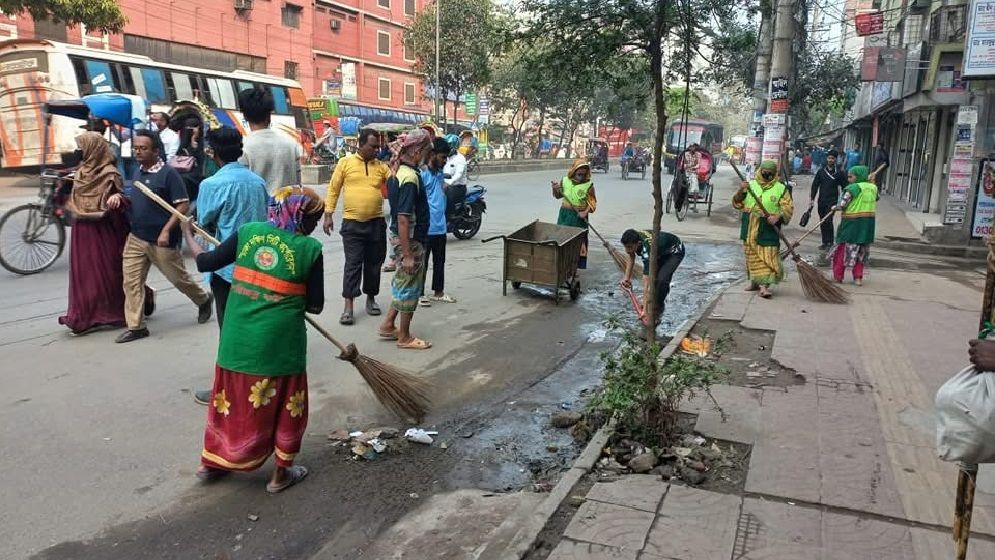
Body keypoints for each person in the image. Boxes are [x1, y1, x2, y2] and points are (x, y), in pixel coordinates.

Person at [183, 186, 324, 493]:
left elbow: (205, 262)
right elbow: (315, 306)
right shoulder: (310, 249)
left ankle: (211, 464)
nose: (315, 224)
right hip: (280, 346)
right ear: (297, 215)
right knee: (286, 405)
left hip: (237, 341)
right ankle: (280, 475)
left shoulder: (248, 232)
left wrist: (187, 233)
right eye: (313, 218)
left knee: (229, 404)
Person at [109, 130, 214, 343]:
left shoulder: (169, 174)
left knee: (178, 278)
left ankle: (203, 299)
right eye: (136, 148)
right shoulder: (137, 171)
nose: (138, 152)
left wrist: (166, 230)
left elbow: (182, 205)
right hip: (137, 237)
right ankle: (136, 326)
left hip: (162, 240)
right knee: (131, 282)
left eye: (143, 148)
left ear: (156, 151)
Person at [191, 127, 269, 406]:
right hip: (259, 265)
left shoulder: (211, 185)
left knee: (229, 332)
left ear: (212, 152)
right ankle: (257, 384)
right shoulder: (258, 182)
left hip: (227, 269)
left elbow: (204, 223)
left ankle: (228, 391)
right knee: (253, 327)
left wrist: (188, 230)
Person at [58, 132, 153, 334]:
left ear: (93, 149)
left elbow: (123, 202)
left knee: (110, 273)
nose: (79, 151)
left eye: (82, 147)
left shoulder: (110, 174)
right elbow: (73, 199)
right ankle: (84, 316)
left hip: (104, 230)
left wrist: (117, 198)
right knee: (84, 275)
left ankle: (134, 304)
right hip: (82, 230)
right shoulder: (81, 172)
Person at [322, 128, 391, 325]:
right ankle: (348, 306)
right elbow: (333, 189)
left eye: (378, 147)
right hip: (352, 224)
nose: (376, 150)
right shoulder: (345, 163)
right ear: (361, 145)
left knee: (374, 264)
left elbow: (395, 182)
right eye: (373, 147)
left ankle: (371, 299)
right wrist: (328, 215)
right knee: (353, 264)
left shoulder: (381, 166)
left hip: (376, 223)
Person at [379, 129, 433, 350]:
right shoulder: (409, 177)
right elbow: (403, 218)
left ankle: (388, 324)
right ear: (417, 151)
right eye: (426, 151)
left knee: (403, 281)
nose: (427, 157)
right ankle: (404, 336)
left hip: (401, 238)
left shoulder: (398, 172)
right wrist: (408, 254)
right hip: (409, 240)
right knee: (410, 286)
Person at [732, 160, 794, 299]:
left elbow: (788, 207)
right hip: (750, 225)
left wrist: (777, 216)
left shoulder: (781, 188)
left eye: (770, 173)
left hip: (768, 227)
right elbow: (737, 203)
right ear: (760, 171)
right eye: (765, 172)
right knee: (752, 255)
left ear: (775, 174)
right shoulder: (750, 185)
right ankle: (755, 282)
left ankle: (764, 286)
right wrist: (741, 190)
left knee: (768, 256)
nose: (767, 175)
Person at [238, 87, 302, 193]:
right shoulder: (291, 145)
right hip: (286, 203)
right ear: (269, 115)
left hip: (257, 203)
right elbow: (298, 186)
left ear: (244, 116)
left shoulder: (242, 147)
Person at [418, 138, 457, 307]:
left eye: (446, 157)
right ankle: (419, 293)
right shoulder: (422, 174)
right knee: (423, 263)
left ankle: (438, 292)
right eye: (442, 157)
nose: (445, 161)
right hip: (426, 227)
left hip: (440, 226)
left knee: (439, 262)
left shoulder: (440, 174)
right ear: (432, 154)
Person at [620, 229, 685, 326]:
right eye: (625, 247)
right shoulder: (634, 240)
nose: (627, 250)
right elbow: (631, 257)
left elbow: (647, 285)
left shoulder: (647, 251)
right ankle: (651, 303)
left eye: (629, 247)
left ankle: (658, 308)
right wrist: (626, 278)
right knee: (655, 280)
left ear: (638, 243)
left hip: (675, 251)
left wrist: (645, 311)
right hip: (659, 252)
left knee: (661, 280)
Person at [830, 165, 877, 286]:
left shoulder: (853, 188)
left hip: (851, 224)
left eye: (851, 177)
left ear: (859, 176)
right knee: (861, 252)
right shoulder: (873, 187)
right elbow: (876, 198)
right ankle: (858, 278)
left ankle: (838, 276)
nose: (848, 179)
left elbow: (842, 204)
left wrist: (834, 207)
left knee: (842, 250)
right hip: (867, 226)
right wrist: (871, 182)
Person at [552, 160, 596, 269]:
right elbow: (558, 196)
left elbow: (592, 202)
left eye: (584, 173)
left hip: (579, 217)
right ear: (574, 171)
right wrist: (555, 189)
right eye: (579, 173)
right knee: (562, 238)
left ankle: (575, 266)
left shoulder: (588, 185)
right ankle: (562, 264)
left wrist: (584, 212)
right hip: (564, 215)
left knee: (578, 241)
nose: (581, 176)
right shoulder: (565, 180)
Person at [809, 150, 848, 250]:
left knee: (828, 220)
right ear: (827, 159)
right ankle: (824, 242)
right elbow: (815, 186)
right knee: (822, 221)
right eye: (829, 158)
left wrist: (843, 200)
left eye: (833, 158)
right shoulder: (821, 172)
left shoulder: (839, 173)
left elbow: (845, 187)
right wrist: (812, 199)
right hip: (821, 201)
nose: (830, 160)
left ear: (836, 159)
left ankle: (830, 242)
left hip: (832, 201)